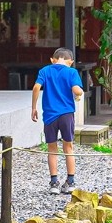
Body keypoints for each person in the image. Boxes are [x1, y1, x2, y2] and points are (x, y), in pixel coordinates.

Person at [31, 47, 85, 194]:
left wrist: (33, 108)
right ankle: (71, 181)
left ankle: (54, 183)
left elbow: (36, 87)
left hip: (50, 115)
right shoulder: (72, 72)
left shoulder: (45, 71)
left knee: (52, 148)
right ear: (71, 61)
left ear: (52, 60)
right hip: (66, 114)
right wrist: (80, 93)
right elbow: (77, 90)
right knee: (68, 147)